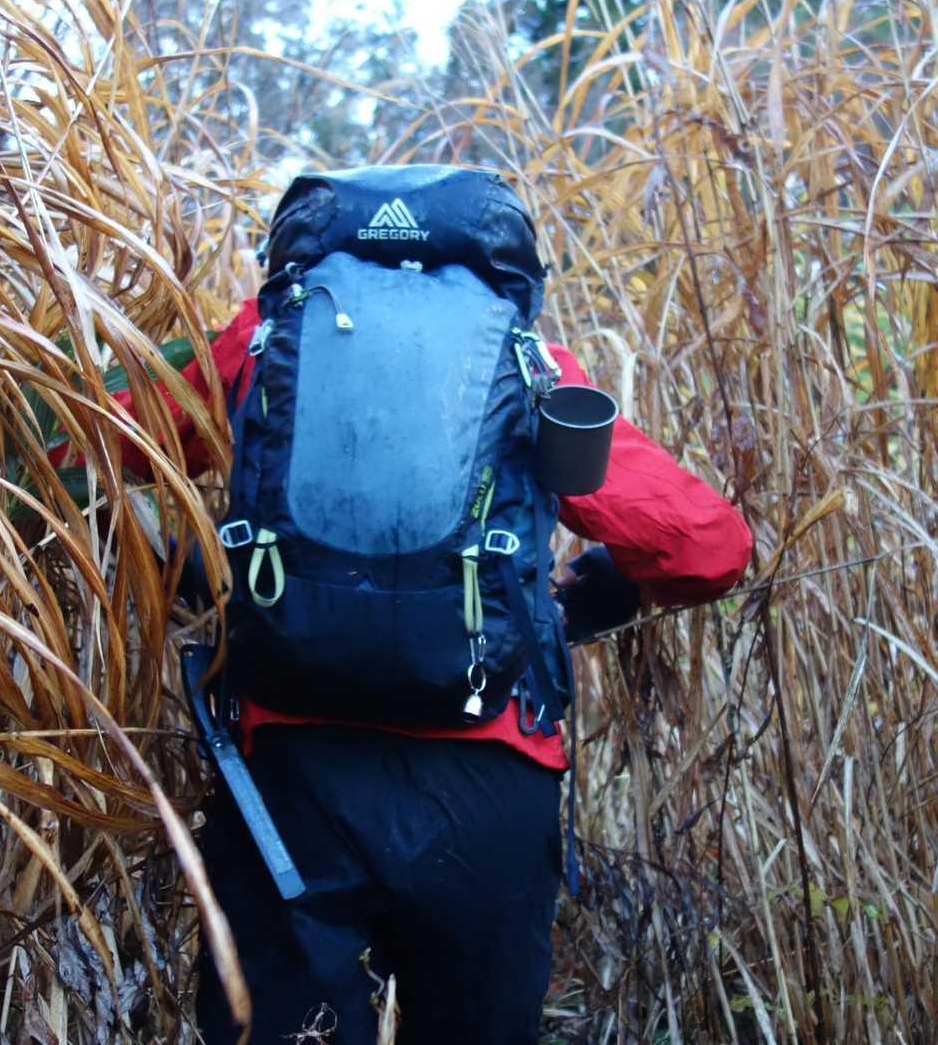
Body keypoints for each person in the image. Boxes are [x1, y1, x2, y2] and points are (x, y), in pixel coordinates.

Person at [66, 169, 750, 1042]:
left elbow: (81, 452)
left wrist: (188, 565)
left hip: (291, 778)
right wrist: (611, 584)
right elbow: (710, 548)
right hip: (488, 784)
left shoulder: (260, 343)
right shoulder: (530, 365)